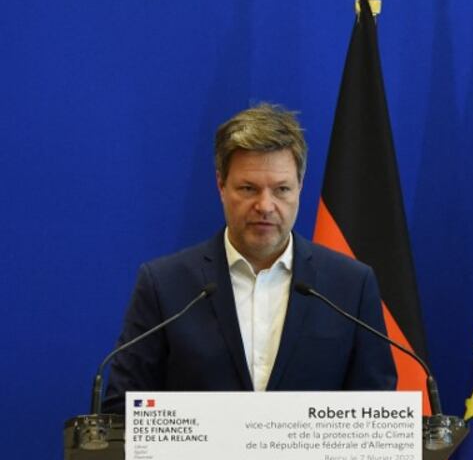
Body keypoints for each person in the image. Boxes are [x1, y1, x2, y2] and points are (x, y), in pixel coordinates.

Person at [103, 103, 395, 413]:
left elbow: (376, 415)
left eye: (281, 189)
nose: (265, 205)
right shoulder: (165, 285)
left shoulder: (349, 286)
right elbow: (121, 411)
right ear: (221, 186)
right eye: (248, 188)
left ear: (300, 188)